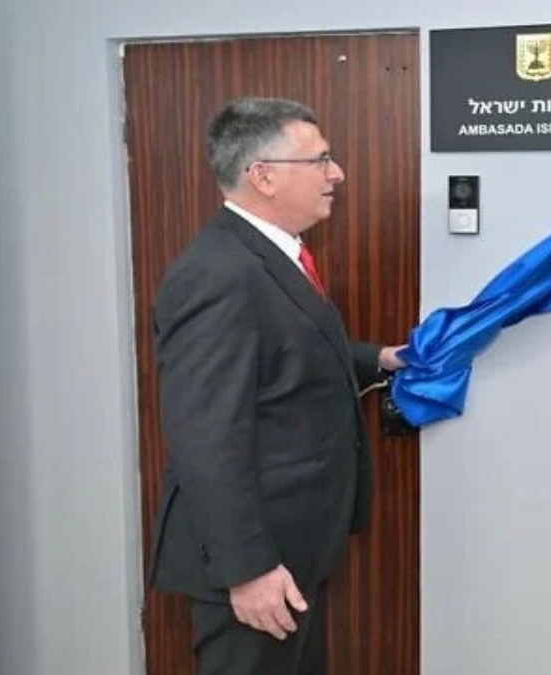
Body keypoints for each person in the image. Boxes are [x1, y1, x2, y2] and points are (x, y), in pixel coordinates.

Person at [146, 97, 406, 675]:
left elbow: (285, 354)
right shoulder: (218, 274)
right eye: (321, 160)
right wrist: (249, 569)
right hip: (256, 559)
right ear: (262, 175)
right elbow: (206, 435)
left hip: (294, 543)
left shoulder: (268, 255)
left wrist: (381, 359)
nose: (337, 174)